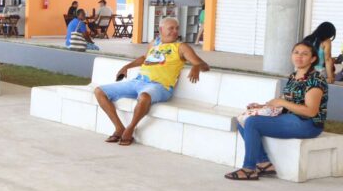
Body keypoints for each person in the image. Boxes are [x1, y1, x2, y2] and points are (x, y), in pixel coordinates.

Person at [94, 17, 210, 146]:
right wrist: (127, 67)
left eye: (177, 28)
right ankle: (119, 127)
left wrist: (196, 66)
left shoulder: (181, 47)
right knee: (99, 91)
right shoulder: (154, 44)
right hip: (138, 82)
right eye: (171, 28)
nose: (175, 31)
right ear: (161, 29)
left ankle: (130, 129)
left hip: (160, 86)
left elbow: (204, 65)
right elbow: (144, 58)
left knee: (144, 97)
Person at [224, 40, 327, 180]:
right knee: (242, 120)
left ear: (313, 58)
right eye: (296, 52)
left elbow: (310, 112)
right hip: (290, 119)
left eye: (304, 54)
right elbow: (284, 100)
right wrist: (263, 106)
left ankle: (249, 168)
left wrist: (281, 102)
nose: (299, 56)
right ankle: (264, 163)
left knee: (253, 123)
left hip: (308, 124)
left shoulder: (315, 79)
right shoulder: (294, 76)